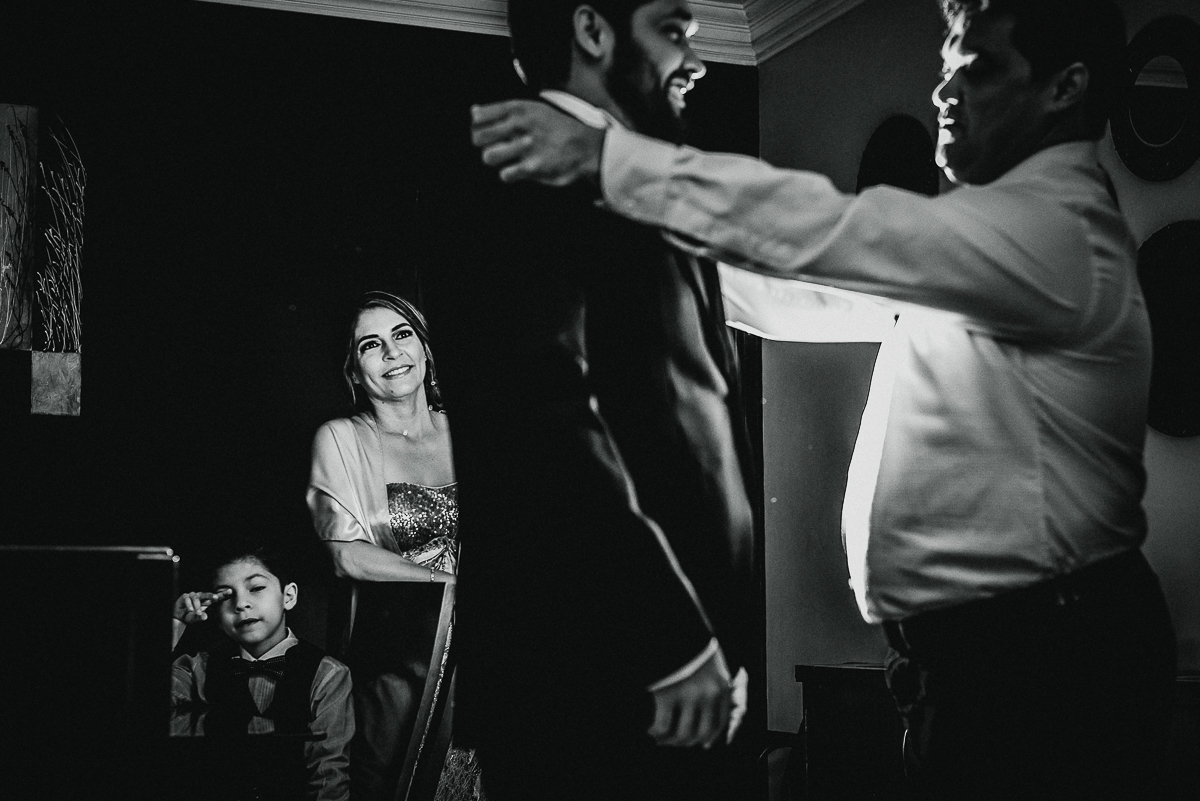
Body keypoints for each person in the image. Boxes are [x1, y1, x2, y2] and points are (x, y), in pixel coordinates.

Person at [468, 0, 1178, 798]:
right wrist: (643, 252)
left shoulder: (1053, 232)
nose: (944, 91)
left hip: (1047, 665)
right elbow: (800, 295)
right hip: (972, 659)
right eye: (946, 67)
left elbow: (831, 232)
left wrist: (611, 160)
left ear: (1065, 87)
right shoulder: (980, 253)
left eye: (976, 68)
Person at [419, 1, 757, 798]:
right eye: (673, 31)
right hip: (592, 674)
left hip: (686, 672)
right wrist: (670, 639)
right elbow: (539, 418)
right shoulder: (513, 168)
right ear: (592, 30)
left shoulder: (639, 186)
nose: (696, 60)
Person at [306, 291, 470, 800]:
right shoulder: (341, 438)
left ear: (425, 349)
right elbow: (344, 553)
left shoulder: (471, 431)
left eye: (402, 335)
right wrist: (451, 585)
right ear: (354, 371)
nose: (392, 352)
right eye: (370, 344)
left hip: (489, 649)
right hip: (400, 664)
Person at [170, 546, 354, 801]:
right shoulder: (197, 667)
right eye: (225, 597)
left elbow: (329, 773)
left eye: (256, 588)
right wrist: (175, 623)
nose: (241, 604)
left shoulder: (328, 674)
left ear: (288, 596)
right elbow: (142, 708)